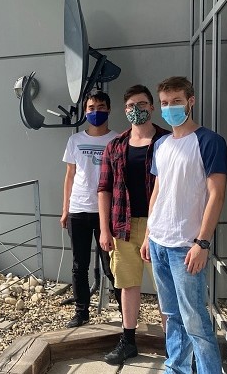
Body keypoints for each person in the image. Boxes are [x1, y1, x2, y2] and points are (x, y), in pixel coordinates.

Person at [140, 76, 227, 373]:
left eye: (176, 101)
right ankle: (176, 367)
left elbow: (217, 195)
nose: (170, 108)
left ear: (191, 101)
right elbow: (158, 191)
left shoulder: (209, 141)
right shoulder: (162, 144)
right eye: (164, 103)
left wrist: (202, 242)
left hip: (186, 247)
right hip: (159, 242)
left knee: (195, 320)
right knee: (171, 315)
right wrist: (148, 235)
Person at [97, 84, 170, 365]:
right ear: (125, 110)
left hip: (160, 228)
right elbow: (103, 189)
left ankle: (172, 344)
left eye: (141, 104)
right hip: (123, 226)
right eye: (130, 106)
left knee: (166, 287)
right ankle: (128, 341)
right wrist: (105, 229)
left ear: (152, 107)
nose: (136, 110)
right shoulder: (115, 146)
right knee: (128, 284)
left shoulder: (167, 141)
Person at [61, 90, 119, 328]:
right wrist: (65, 209)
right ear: (85, 111)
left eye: (101, 107)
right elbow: (69, 176)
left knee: (112, 265)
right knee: (79, 264)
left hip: (107, 213)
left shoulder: (117, 140)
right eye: (91, 108)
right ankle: (81, 311)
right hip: (79, 209)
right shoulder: (75, 140)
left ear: (109, 109)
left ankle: (126, 312)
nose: (96, 112)